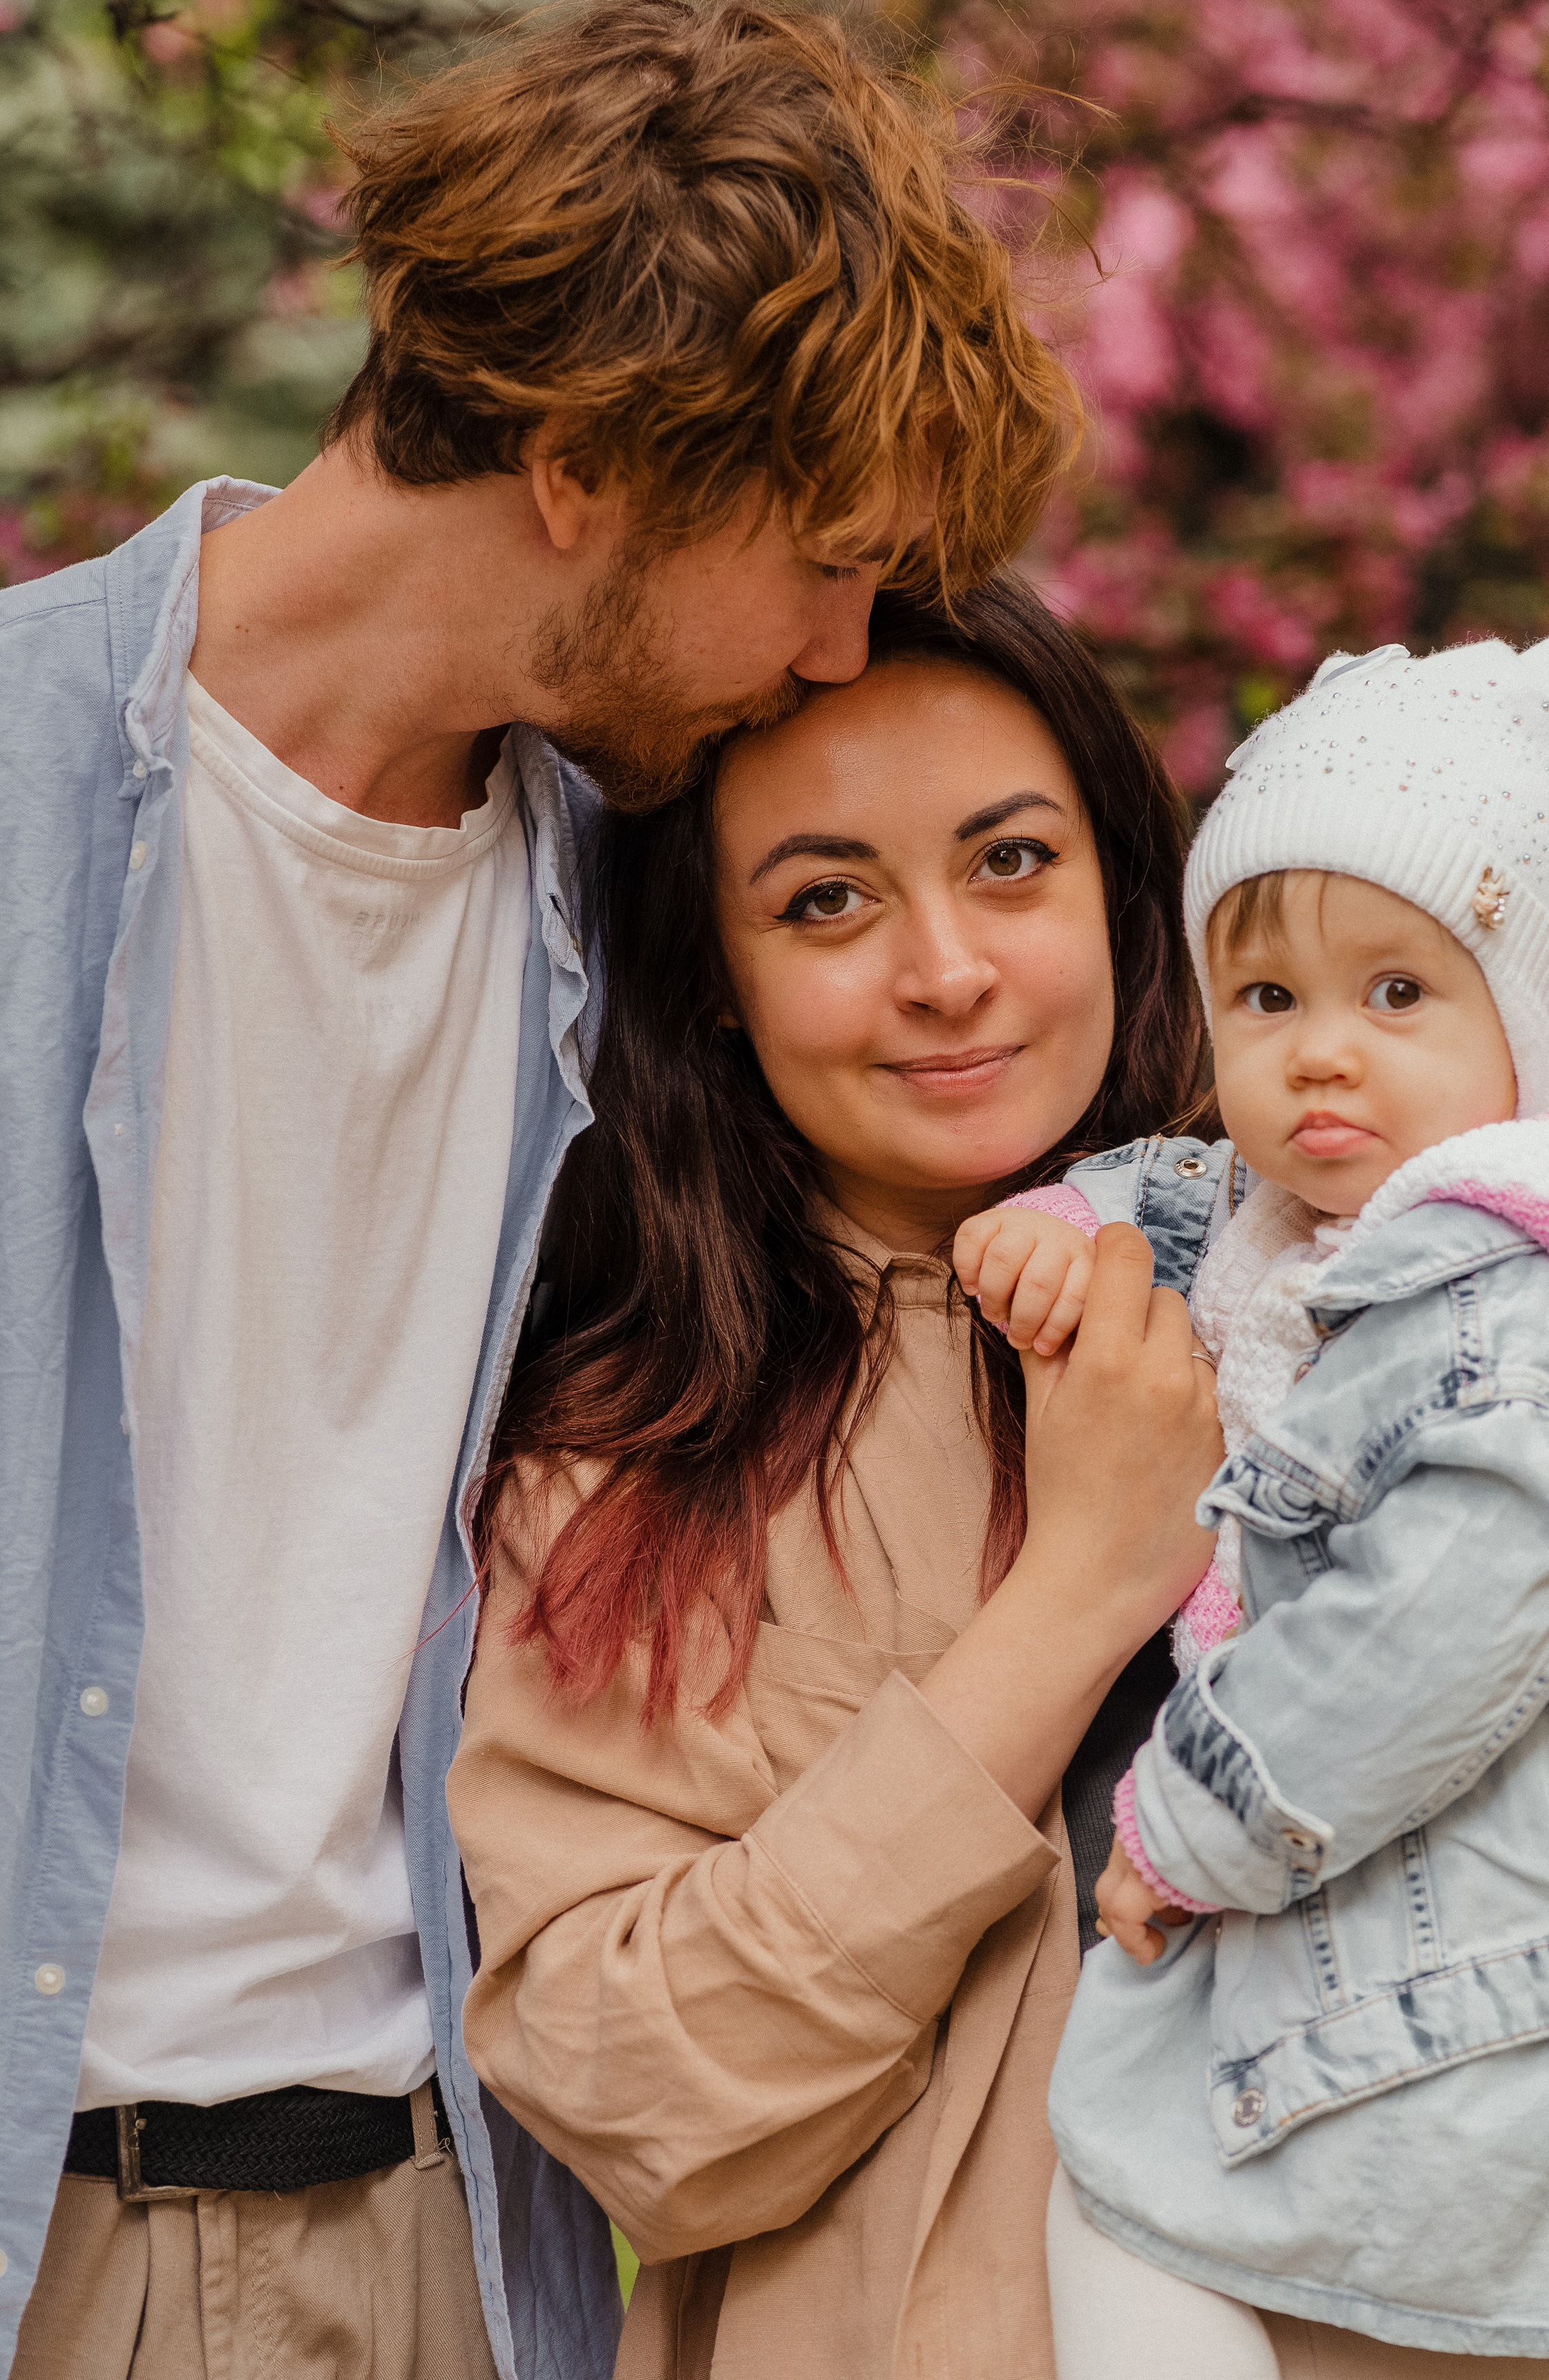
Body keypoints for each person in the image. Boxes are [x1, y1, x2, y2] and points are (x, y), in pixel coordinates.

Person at [0, 0, 1072, 2380]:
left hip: (464, 2252)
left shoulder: (652, 925)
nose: (849, 644)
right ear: (578, 465)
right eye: (823, 559)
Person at [447, 576, 1231, 2380]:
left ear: (1122, 884)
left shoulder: (1399, 1309)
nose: (947, 967)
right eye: (827, 900)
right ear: (715, 987)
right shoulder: (628, 1477)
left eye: (1012, 862)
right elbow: (636, 2094)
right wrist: (1082, 1590)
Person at [970, 625, 1549, 2377]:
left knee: (1121, 2196)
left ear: (1531, 1019)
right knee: (1122, 2205)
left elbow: (1423, 1628)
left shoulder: (1516, 1309)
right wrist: (1057, 1230)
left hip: (1484, 1967)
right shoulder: (1306, 1221)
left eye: (1398, 996)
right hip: (1377, 1947)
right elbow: (1185, 1197)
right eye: (1267, 1002)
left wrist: (1177, 1834)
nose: (1319, 1058)